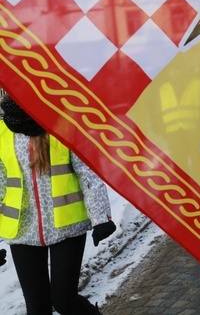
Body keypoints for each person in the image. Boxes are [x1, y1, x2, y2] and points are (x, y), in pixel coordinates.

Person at [0, 95, 116, 315]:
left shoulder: (64, 125)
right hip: (22, 231)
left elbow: (87, 172)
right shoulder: (2, 132)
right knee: (37, 308)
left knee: (64, 301)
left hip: (67, 227)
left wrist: (101, 217)